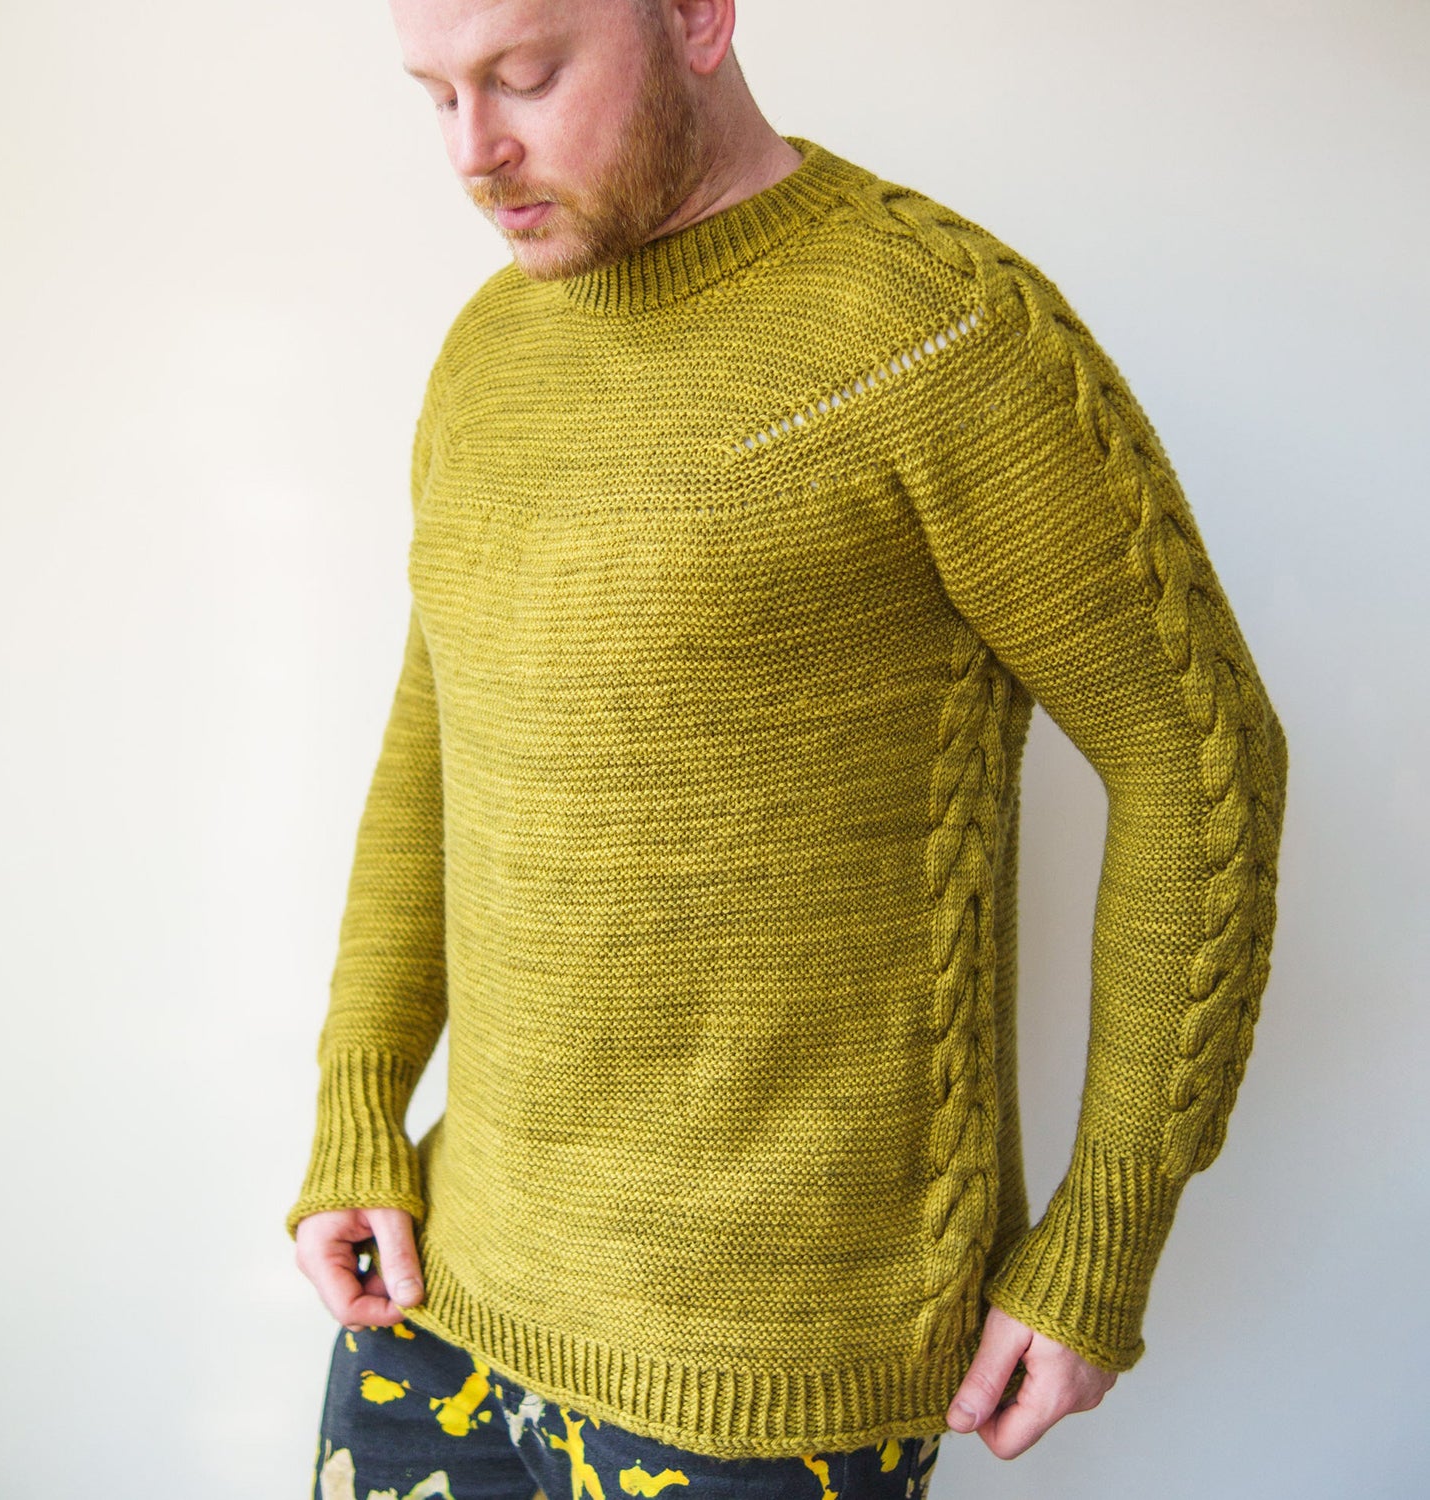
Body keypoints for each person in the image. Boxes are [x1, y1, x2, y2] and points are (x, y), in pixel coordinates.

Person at [287, 1, 1290, 1496]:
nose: (474, 151)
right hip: (440, 1293)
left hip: (768, 1369)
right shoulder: (487, 352)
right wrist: (361, 1111)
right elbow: (435, 753)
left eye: (527, 76)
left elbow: (1198, 757)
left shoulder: (932, 333)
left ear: (696, 16)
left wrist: (1105, 1231)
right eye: (437, 95)